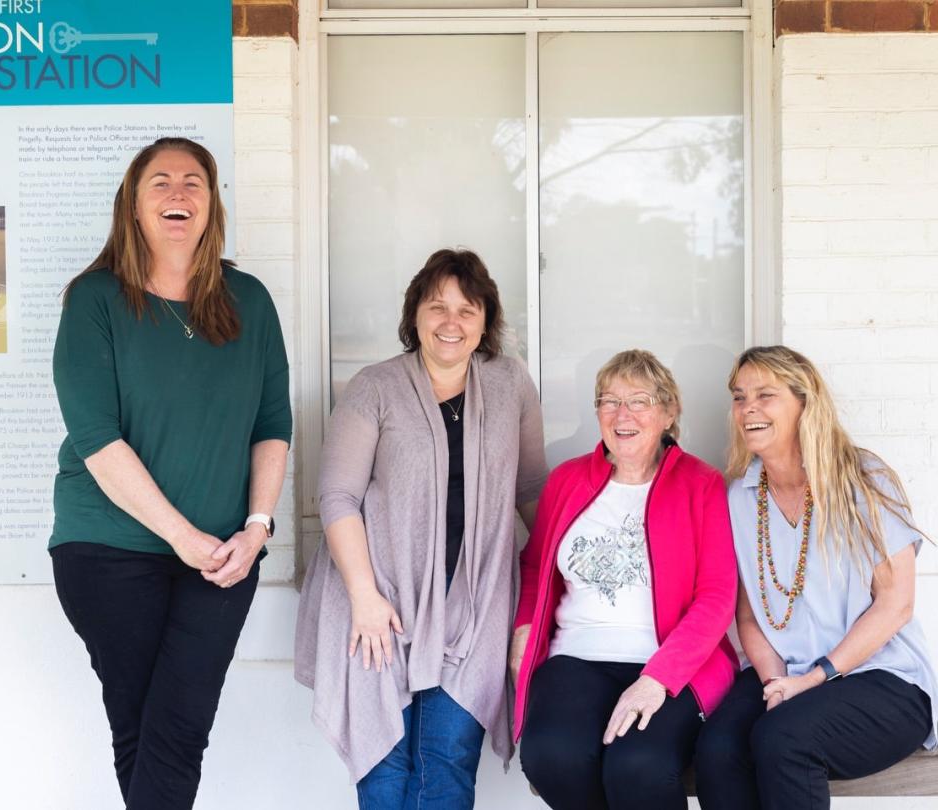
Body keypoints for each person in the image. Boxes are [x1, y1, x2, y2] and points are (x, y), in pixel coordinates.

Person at [50, 137, 292, 809]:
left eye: (194, 182)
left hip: (223, 554)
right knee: (143, 728)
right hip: (106, 550)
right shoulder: (95, 300)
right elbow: (97, 439)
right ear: (131, 205)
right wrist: (182, 537)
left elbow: (273, 425)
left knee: (179, 730)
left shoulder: (250, 302)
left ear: (214, 205)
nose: (178, 193)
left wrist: (256, 527)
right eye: (159, 182)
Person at [295, 248, 548, 809]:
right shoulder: (375, 386)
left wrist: (561, 577)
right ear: (414, 316)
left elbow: (531, 490)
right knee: (386, 769)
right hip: (379, 600)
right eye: (437, 307)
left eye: (467, 309)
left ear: (487, 320)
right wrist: (364, 597)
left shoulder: (510, 384)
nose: (451, 323)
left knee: (448, 764)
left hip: (475, 606)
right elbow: (337, 496)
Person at [695, 345, 938, 810]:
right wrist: (776, 684)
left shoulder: (864, 479)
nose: (749, 409)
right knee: (717, 750)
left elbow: (896, 604)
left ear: (805, 403)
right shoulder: (741, 496)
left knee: (783, 739)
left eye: (766, 395)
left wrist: (813, 681)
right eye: (739, 397)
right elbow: (747, 615)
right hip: (783, 669)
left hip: (880, 677)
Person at [510, 349, 738, 810]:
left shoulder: (701, 483)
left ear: (669, 412)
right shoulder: (567, 480)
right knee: (552, 756)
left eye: (639, 400)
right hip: (576, 656)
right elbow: (535, 566)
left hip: (669, 664)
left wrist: (657, 679)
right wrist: (523, 632)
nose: (622, 414)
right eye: (609, 401)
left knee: (639, 766)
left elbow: (716, 597)